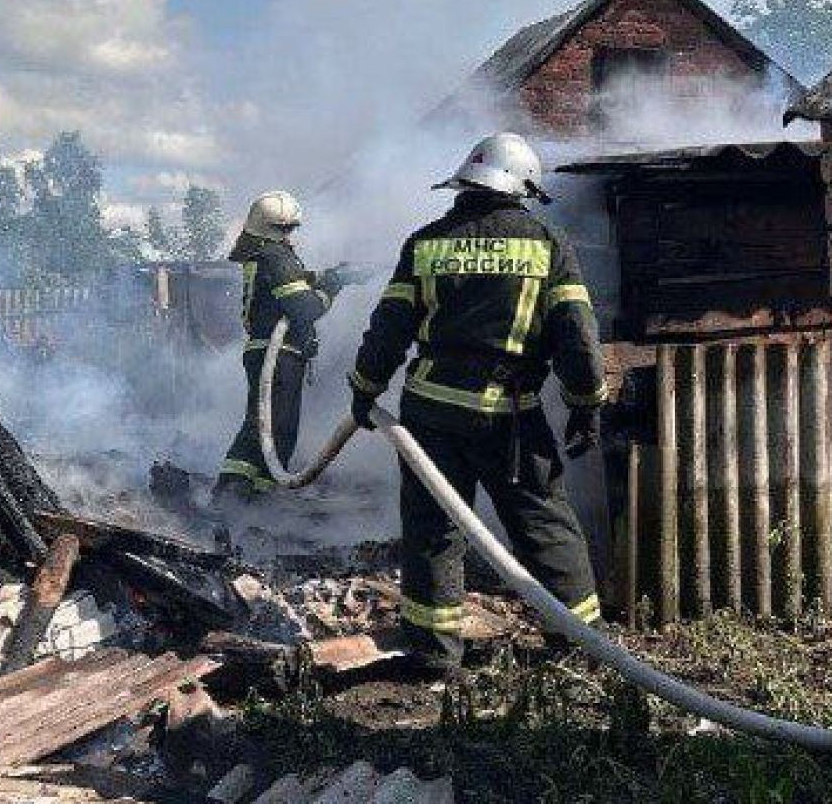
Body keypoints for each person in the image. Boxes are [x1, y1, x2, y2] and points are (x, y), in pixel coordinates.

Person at [347, 133, 608, 673]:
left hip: (431, 414)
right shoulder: (546, 243)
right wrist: (586, 402)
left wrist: (364, 388)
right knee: (543, 525)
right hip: (509, 417)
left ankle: (435, 653)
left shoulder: (426, 243)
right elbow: (576, 336)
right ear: (523, 188)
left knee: (433, 529)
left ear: (465, 181)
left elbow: (388, 330)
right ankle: (579, 645)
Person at [215, 190, 345, 500]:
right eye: (288, 229)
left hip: (278, 354)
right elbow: (305, 308)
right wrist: (332, 288)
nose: (291, 235)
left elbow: (294, 285)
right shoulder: (275, 256)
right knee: (265, 428)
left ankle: (257, 495)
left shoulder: (266, 255)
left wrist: (332, 275)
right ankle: (230, 494)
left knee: (278, 431)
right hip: (277, 356)